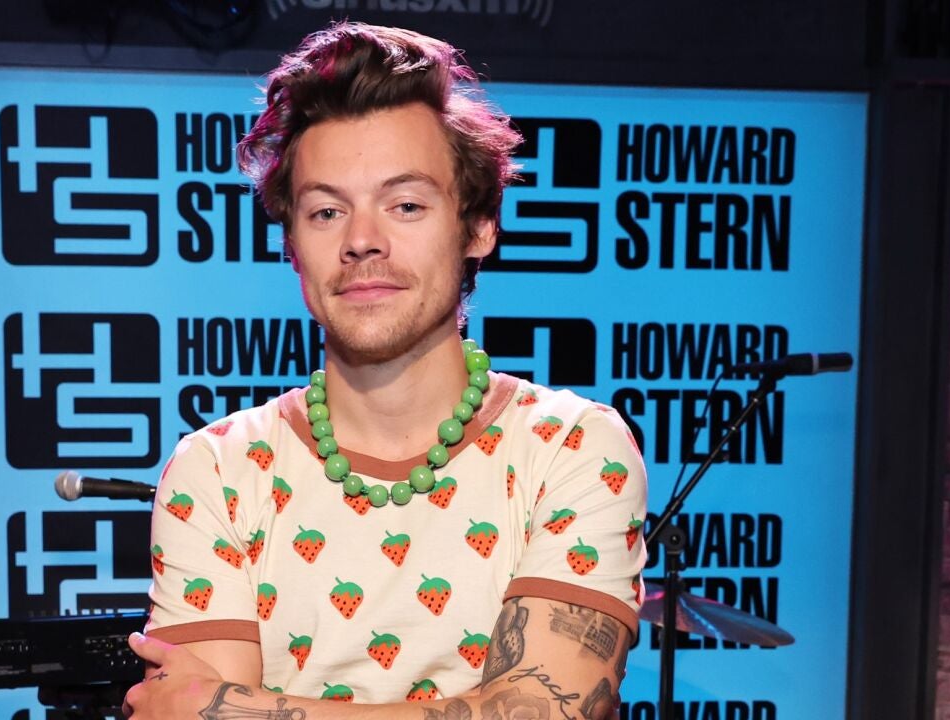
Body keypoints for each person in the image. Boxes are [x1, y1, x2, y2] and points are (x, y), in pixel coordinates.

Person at [122, 21, 647, 720]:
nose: (362, 240)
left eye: (405, 205)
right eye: (326, 211)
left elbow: (542, 711)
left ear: (479, 226)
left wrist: (237, 708)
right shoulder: (217, 469)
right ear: (291, 243)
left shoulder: (571, 446)